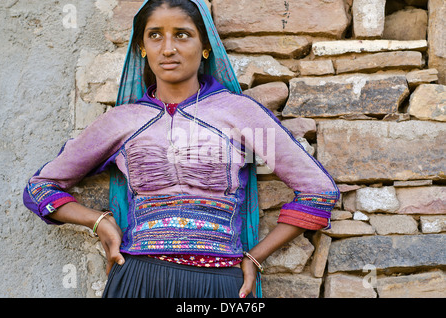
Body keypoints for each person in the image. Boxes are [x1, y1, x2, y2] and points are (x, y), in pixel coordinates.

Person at [23, 0, 339, 298]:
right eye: (155, 36)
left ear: (205, 47)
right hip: (137, 279)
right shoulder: (121, 121)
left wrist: (256, 257)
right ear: (142, 49)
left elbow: (318, 192)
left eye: (182, 35)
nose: (168, 48)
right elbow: (40, 190)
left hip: (218, 284)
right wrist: (99, 221)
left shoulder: (240, 113)